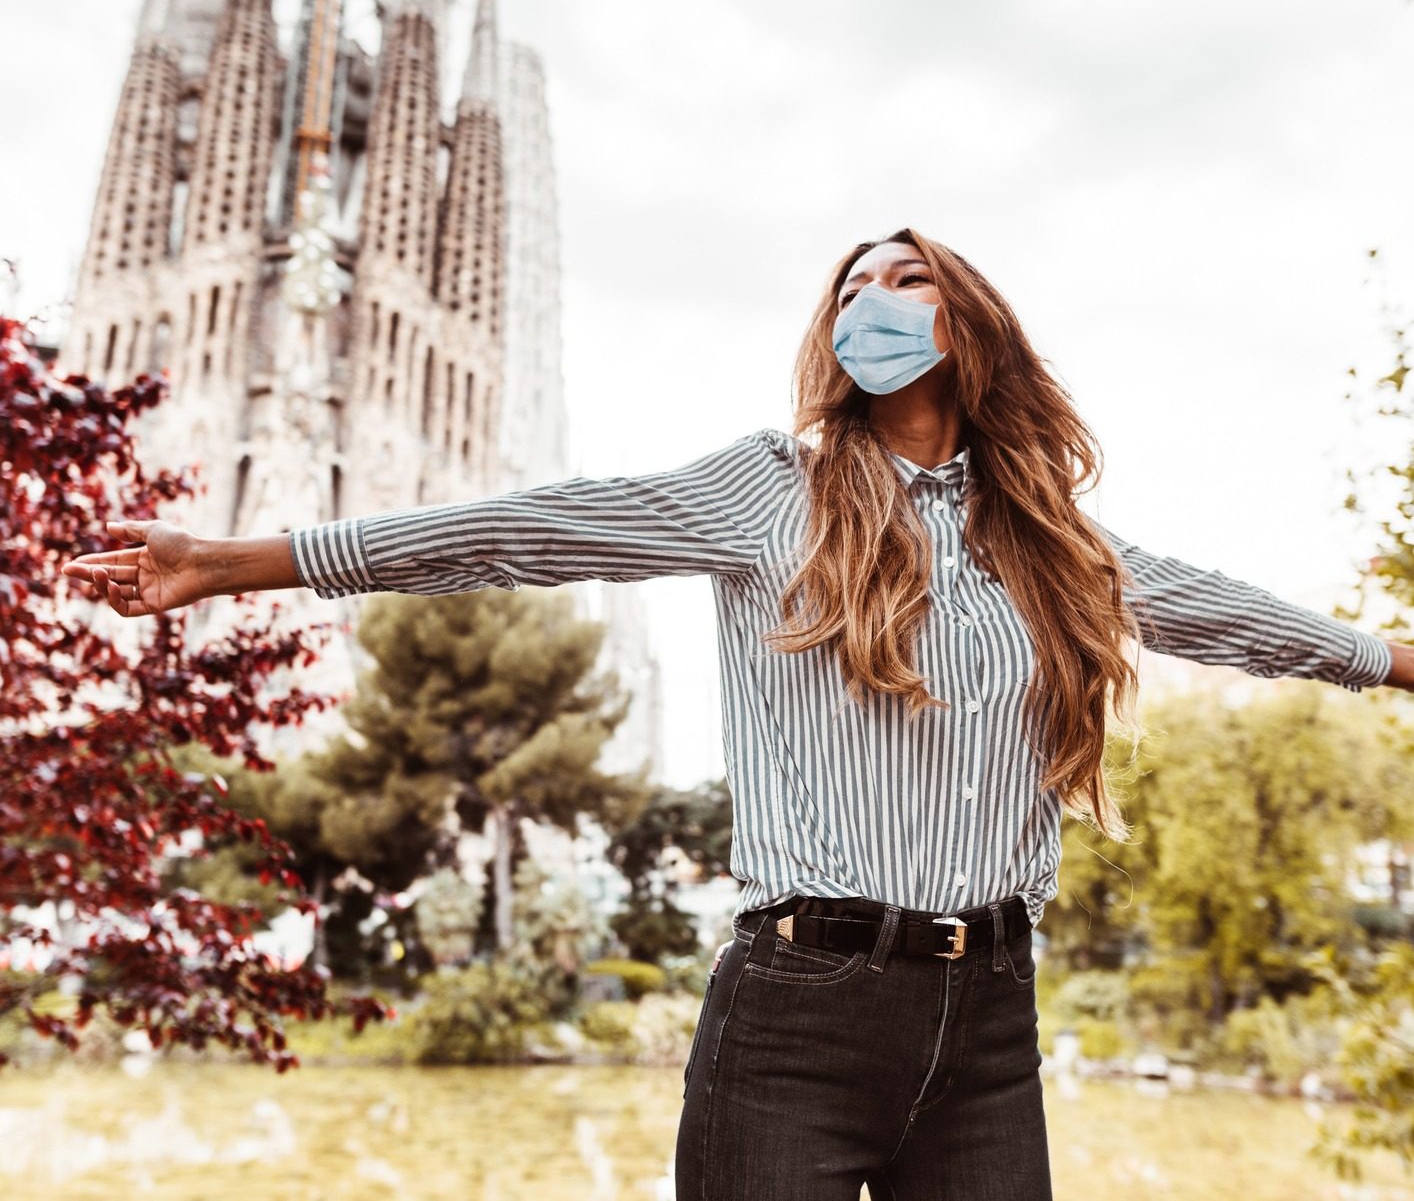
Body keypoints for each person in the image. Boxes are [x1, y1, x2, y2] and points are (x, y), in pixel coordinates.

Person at [62, 227, 1413, 1200]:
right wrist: (255, 558)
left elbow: (1219, 607)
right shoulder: (771, 489)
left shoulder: (1045, 540)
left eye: (901, 280)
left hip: (990, 1014)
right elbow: (534, 530)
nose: (866, 304)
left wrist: (1388, 661)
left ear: (969, 326)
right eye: (848, 290)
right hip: (796, 1016)